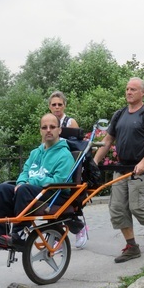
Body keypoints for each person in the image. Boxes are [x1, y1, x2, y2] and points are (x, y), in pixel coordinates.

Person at [93, 77, 144, 263]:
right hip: (122, 168)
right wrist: (95, 161)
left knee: (138, 207)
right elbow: (107, 140)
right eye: (127, 89)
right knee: (118, 208)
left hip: (141, 170)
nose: (129, 92)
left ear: (142, 93)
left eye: (133, 89)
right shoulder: (119, 115)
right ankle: (132, 246)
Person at [0, 113, 76, 249]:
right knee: (3, 188)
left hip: (56, 193)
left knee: (25, 190)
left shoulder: (65, 155)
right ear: (40, 130)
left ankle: (19, 234)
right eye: (44, 127)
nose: (48, 130)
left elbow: (59, 180)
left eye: (52, 127)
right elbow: (25, 172)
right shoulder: (35, 153)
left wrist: (31, 183)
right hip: (35, 189)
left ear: (59, 130)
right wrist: (21, 182)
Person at [47, 90, 87, 247]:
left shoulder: (70, 122)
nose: (57, 107)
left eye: (60, 104)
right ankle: (56, 235)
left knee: (68, 199)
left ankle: (77, 228)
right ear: (50, 107)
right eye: (54, 105)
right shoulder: (48, 122)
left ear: (64, 105)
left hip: (67, 163)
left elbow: (78, 146)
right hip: (52, 162)